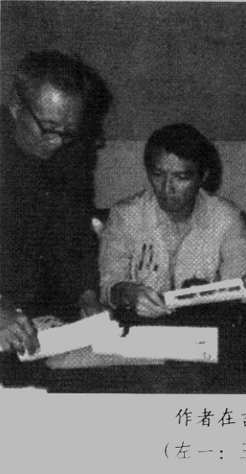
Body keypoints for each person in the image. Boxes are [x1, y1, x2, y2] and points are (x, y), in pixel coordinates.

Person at [99, 123, 246, 318]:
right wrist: (128, 293)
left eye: (181, 177)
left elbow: (239, 282)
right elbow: (109, 285)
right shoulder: (126, 216)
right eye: (158, 175)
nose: (167, 188)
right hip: (141, 325)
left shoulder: (227, 218)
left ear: (203, 176)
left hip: (205, 324)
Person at [0, 50, 112, 355]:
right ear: (16, 107)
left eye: (69, 133)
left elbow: (76, 235)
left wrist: (87, 295)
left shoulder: (72, 154)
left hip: (40, 310)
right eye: (49, 128)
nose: (58, 142)